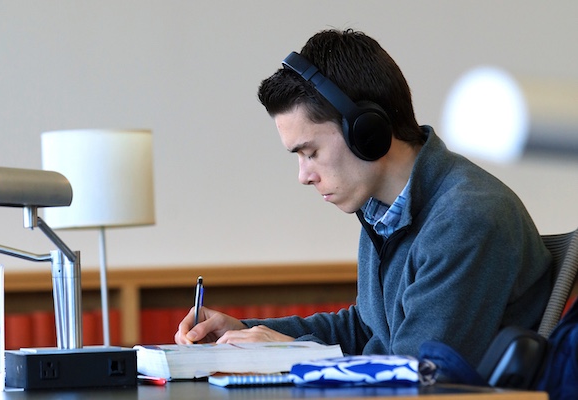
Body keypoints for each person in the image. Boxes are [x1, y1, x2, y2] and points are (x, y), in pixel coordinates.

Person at [174, 28, 552, 366]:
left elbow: (413, 373)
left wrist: (292, 353)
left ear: (366, 132)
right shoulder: (384, 210)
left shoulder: (467, 217)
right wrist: (243, 331)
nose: (304, 176)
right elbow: (367, 329)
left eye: (310, 153)